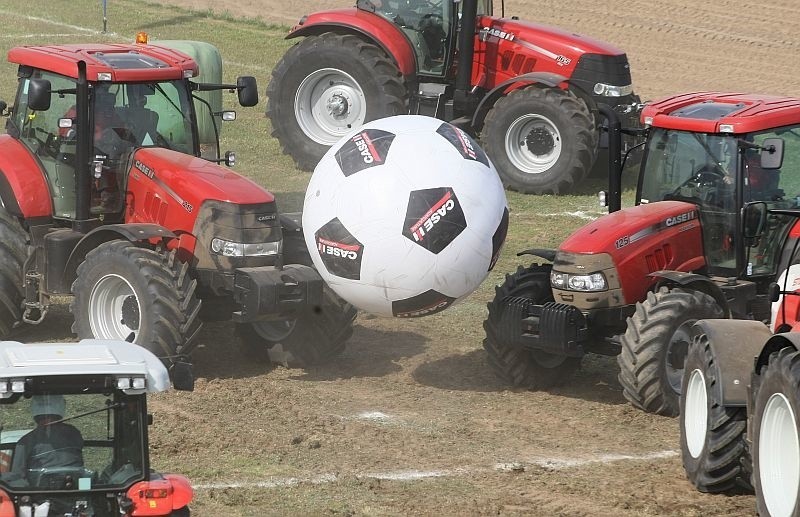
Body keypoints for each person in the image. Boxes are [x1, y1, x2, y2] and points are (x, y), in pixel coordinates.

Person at [10, 395, 84, 481]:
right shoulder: (73, 433)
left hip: (40, 492)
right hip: (76, 489)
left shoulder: (25, 441)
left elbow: (17, 477)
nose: (49, 426)